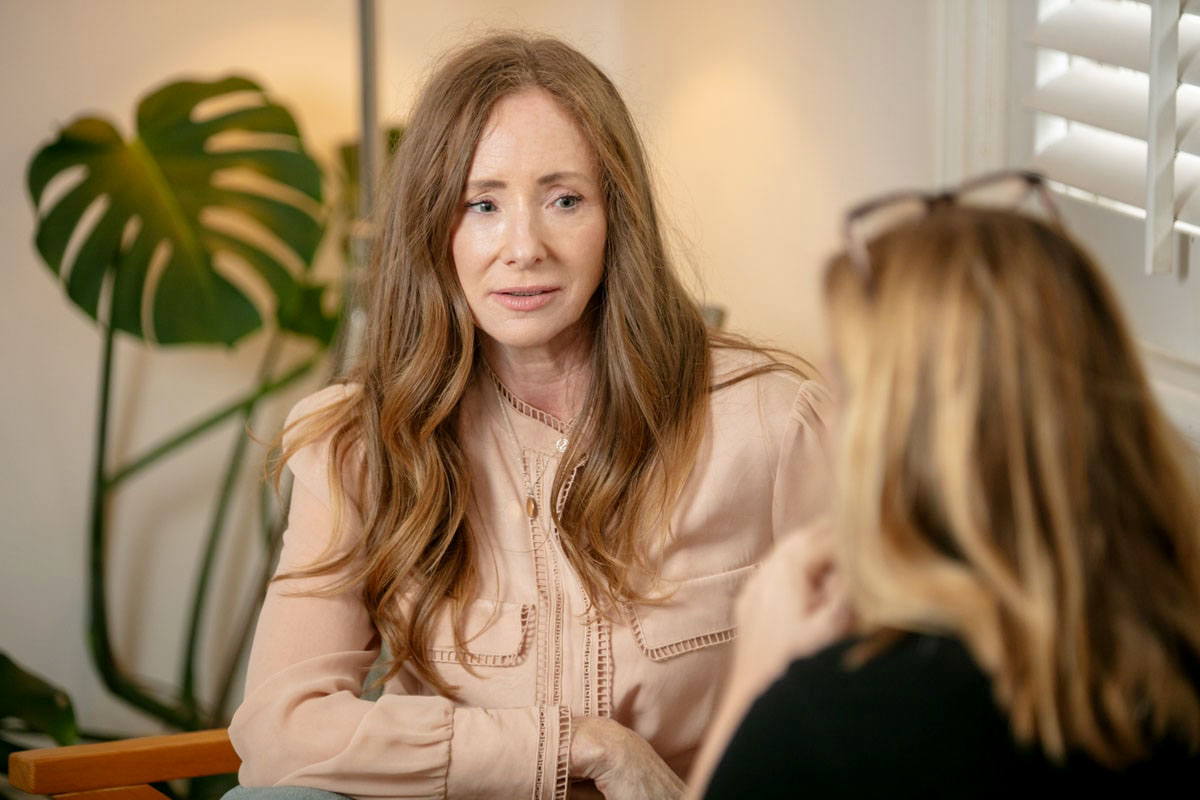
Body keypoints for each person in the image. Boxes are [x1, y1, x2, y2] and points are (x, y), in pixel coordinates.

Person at [226, 33, 832, 800]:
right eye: (482, 204)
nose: (523, 248)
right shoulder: (358, 442)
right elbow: (280, 732)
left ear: (618, 218)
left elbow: (877, 705)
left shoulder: (771, 424)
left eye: (564, 200)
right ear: (433, 229)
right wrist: (577, 745)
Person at [700, 172, 1200, 798]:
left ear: (897, 437)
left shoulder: (832, 724)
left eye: (845, 390)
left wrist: (753, 683)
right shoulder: (1173, 657)